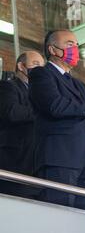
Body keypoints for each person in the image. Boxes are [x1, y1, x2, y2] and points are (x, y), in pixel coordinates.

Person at [29, 30, 85, 210]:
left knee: (84, 217)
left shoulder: (80, 85)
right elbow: (55, 106)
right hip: (60, 158)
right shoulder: (41, 74)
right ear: (53, 50)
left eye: (77, 45)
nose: (75, 49)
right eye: (70, 44)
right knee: (59, 213)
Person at [0, 51, 44, 198]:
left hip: (35, 165)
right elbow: (12, 112)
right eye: (36, 64)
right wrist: (44, 111)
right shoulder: (7, 86)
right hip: (14, 162)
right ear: (21, 66)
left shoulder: (39, 94)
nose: (40, 70)